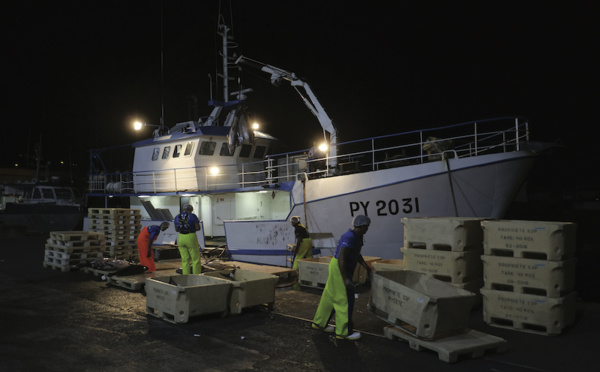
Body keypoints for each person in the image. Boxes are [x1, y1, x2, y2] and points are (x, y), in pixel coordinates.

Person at [312, 215, 373, 341]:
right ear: (361, 226)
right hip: (340, 267)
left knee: (329, 296)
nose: (367, 229)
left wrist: (366, 267)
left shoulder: (358, 236)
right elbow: (342, 257)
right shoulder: (349, 237)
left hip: (339, 267)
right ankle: (343, 332)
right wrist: (345, 278)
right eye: (366, 227)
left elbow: (356, 254)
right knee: (344, 298)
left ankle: (319, 323)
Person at [174, 204, 202, 275]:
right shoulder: (192, 216)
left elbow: (176, 229)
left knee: (185, 259)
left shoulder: (177, 216)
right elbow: (198, 228)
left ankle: (185, 275)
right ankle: (196, 276)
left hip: (180, 237)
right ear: (191, 210)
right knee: (195, 259)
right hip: (190, 237)